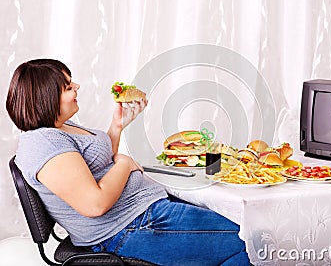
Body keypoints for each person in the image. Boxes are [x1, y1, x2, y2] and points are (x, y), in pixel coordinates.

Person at [6, 59, 251, 266]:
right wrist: (124, 164)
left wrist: (118, 126)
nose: (77, 87)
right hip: (126, 227)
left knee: (243, 224)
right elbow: (95, 204)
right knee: (250, 241)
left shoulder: (60, 128)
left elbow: (96, 166)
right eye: (68, 86)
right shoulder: (43, 143)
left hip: (142, 212)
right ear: (45, 98)